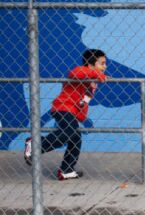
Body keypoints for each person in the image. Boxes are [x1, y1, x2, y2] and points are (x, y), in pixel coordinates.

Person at [23, 49, 107, 180]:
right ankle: (35, 144)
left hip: (72, 112)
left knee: (75, 137)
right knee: (68, 133)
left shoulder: (92, 81)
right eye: (102, 63)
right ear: (91, 64)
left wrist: (81, 117)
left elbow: (83, 100)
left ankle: (66, 170)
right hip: (63, 108)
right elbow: (74, 73)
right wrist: (97, 74)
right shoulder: (81, 71)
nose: (105, 67)